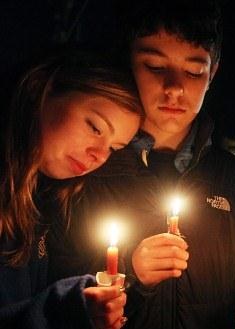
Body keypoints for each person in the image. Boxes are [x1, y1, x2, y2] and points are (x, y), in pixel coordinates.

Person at [46, 1, 235, 328]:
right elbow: (49, 287)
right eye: (155, 66)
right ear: (129, 62)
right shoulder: (85, 170)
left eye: (193, 71)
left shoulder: (233, 180)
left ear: (212, 73)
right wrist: (129, 270)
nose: (174, 88)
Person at [0, 52, 143, 328]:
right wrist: (64, 307)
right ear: (40, 88)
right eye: (95, 127)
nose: (99, 155)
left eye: (114, 149)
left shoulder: (41, 202)